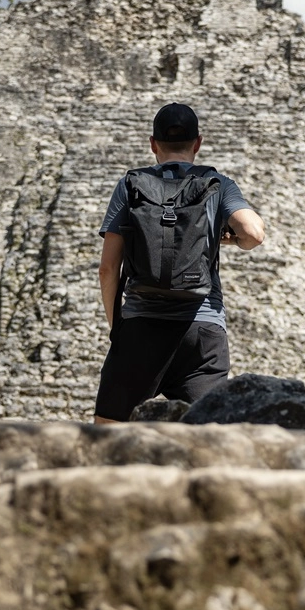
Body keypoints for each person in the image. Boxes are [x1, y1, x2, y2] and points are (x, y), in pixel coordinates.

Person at [94, 103, 265, 423]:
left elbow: (107, 269)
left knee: (108, 434)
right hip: (202, 332)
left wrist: (118, 328)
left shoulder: (130, 185)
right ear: (197, 143)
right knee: (208, 437)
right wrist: (231, 240)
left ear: (153, 144)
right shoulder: (218, 184)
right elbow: (254, 233)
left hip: (141, 326)